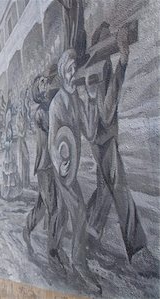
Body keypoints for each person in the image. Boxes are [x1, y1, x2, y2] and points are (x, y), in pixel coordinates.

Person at [85, 25, 158, 277]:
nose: (112, 42)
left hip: (100, 138)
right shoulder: (99, 69)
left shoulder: (95, 68)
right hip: (103, 139)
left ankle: (91, 232)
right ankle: (137, 251)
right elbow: (106, 113)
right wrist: (123, 62)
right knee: (120, 189)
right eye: (108, 39)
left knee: (105, 188)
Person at [48, 49, 100, 292]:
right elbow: (52, 140)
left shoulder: (78, 100)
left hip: (73, 167)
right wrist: (59, 164)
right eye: (68, 70)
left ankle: (55, 249)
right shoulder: (57, 103)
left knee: (64, 212)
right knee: (78, 212)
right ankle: (78, 263)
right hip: (64, 170)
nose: (72, 74)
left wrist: (91, 99)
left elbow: (89, 132)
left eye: (74, 69)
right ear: (62, 73)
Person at [23, 75, 68, 269]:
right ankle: (53, 251)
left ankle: (27, 228)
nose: (45, 83)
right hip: (46, 166)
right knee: (55, 208)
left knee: (42, 206)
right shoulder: (42, 111)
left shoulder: (49, 106)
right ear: (36, 89)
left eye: (44, 80)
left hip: (50, 165)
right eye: (41, 82)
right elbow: (54, 128)